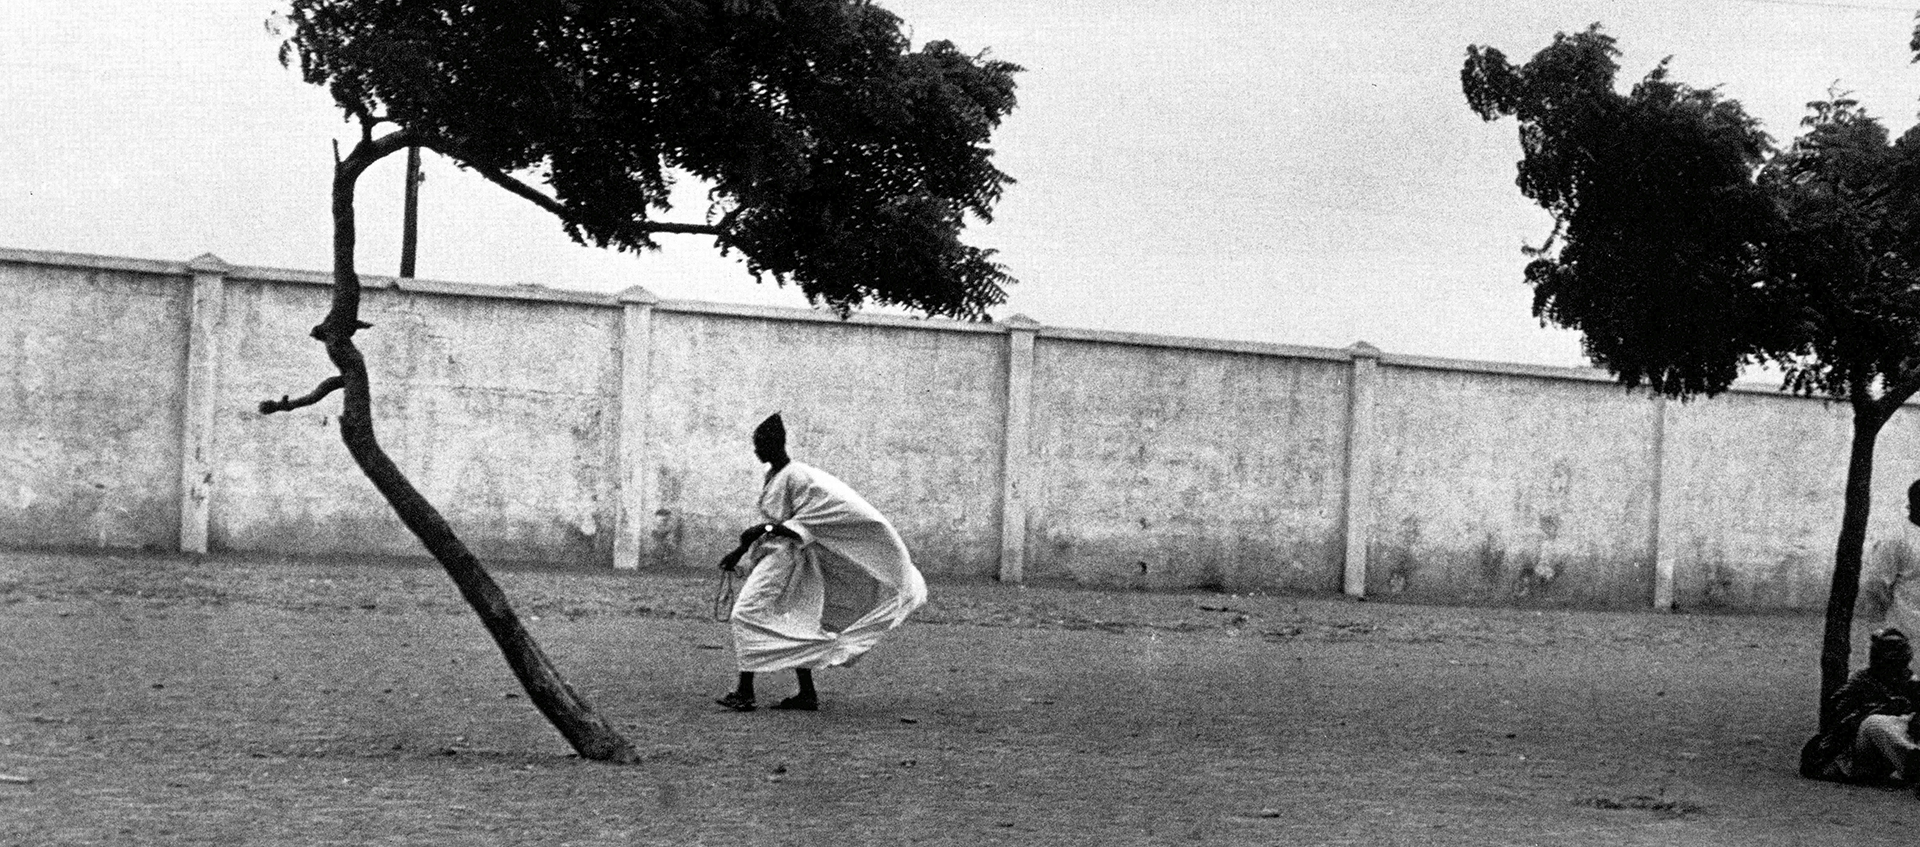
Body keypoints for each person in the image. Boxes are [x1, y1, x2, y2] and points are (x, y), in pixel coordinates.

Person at [713, 412, 928, 712]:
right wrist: (743, 548)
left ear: (776, 443)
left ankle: (745, 691)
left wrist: (759, 531)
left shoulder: (797, 476)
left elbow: (804, 525)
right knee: (797, 618)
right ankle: (806, 693)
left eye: (760, 443)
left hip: (787, 559)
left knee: (745, 613)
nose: (756, 449)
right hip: (777, 555)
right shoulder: (775, 476)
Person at [1799, 628, 1920, 786]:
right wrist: (1882, 708)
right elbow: (1839, 723)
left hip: (1894, 750)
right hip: (1856, 755)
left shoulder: (1910, 682)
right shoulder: (1861, 682)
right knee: (1874, 723)